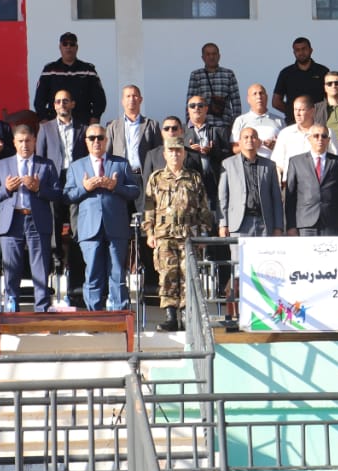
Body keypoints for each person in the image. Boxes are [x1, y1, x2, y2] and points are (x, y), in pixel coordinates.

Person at [66, 124, 142, 312]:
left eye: (100, 138)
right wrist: (85, 188)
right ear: (86, 141)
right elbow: (67, 195)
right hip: (89, 228)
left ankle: (119, 314)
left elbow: (135, 191)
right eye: (92, 138)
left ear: (106, 140)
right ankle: (95, 316)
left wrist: (115, 186)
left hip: (116, 226)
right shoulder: (76, 166)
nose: (96, 142)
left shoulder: (120, 163)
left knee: (117, 273)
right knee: (93, 272)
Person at [0, 125, 60, 312]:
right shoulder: (3, 165)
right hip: (12, 221)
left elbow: (59, 194)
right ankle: (11, 313)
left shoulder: (46, 164)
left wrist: (38, 189)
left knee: (40, 270)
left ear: (34, 141)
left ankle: (42, 313)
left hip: (36, 220)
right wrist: (6, 189)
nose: (24, 145)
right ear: (14, 143)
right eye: (20, 141)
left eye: (28, 141)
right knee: (11, 270)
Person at [144, 138, 214, 332]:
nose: (175, 154)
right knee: (167, 275)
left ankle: (186, 315)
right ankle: (171, 317)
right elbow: (149, 208)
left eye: (178, 151)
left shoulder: (194, 178)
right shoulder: (156, 178)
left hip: (189, 235)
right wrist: (149, 232)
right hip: (164, 235)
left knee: (188, 275)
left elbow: (203, 208)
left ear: (184, 154)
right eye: (171, 151)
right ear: (164, 154)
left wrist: (203, 233)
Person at [38, 89, 88, 304]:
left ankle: (75, 263)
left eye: (65, 101)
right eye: (58, 101)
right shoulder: (45, 128)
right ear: (54, 106)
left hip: (75, 178)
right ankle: (56, 258)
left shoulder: (83, 128)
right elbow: (40, 157)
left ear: (72, 104)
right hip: (54, 179)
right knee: (54, 220)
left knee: (76, 222)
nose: (62, 104)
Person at [285, 124, 338, 236]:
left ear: (328, 140)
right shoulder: (296, 162)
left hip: (332, 223)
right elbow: (290, 198)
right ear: (309, 138)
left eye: (324, 136)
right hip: (305, 223)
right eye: (316, 136)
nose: (320, 139)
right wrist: (291, 226)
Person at [220, 127, 285, 239]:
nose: (249, 140)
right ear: (239, 142)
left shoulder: (269, 165)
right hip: (239, 223)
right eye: (246, 137)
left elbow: (276, 198)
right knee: (238, 252)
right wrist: (223, 224)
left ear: (258, 142)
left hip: (265, 223)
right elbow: (223, 197)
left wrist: (278, 227)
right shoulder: (228, 164)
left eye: (253, 137)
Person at [33, 31, 106, 125]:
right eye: (65, 44)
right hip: (55, 123)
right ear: (60, 47)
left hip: (82, 122)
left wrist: (95, 118)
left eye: (72, 44)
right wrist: (44, 119)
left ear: (76, 47)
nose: (68, 47)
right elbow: (39, 100)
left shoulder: (88, 70)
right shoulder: (50, 70)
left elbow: (100, 99)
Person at [272, 95, 338, 183]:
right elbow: (277, 163)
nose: (297, 114)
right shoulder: (285, 133)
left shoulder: (326, 133)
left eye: (301, 110)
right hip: (290, 184)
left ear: (312, 111)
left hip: (318, 184)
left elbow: (337, 161)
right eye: (295, 110)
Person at [106, 84, 161, 186]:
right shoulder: (112, 126)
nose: (131, 99)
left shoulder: (152, 125)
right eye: (128, 96)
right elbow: (107, 154)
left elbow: (158, 154)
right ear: (122, 101)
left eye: (135, 96)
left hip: (144, 178)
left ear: (140, 99)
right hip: (120, 178)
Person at [184, 93, 232, 202]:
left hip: (214, 183)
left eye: (200, 105)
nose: (196, 108)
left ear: (206, 109)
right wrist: (189, 151)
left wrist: (212, 151)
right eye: (192, 106)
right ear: (188, 110)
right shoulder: (181, 132)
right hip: (189, 185)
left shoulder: (219, 130)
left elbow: (228, 157)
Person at [273, 36, 329, 124]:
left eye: (304, 49)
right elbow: (276, 102)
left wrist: (321, 114)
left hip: (318, 122)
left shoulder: (323, 71)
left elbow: (330, 98)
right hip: (293, 123)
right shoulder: (286, 73)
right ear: (294, 52)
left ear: (311, 50)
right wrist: (292, 112)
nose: (301, 52)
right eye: (297, 50)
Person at [186, 42, 241, 129]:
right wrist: (189, 126)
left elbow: (236, 102)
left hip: (224, 125)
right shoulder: (196, 75)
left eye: (214, 54)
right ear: (203, 57)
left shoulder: (228, 74)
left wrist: (236, 126)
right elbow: (190, 102)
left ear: (219, 56)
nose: (211, 57)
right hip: (202, 125)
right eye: (208, 54)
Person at [231, 83, 285, 159]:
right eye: (254, 94)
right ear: (248, 99)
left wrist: (276, 146)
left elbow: (288, 148)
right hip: (248, 164)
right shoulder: (240, 120)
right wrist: (251, 145)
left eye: (261, 93)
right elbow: (234, 149)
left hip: (274, 164)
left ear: (267, 97)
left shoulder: (280, 121)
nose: (259, 96)